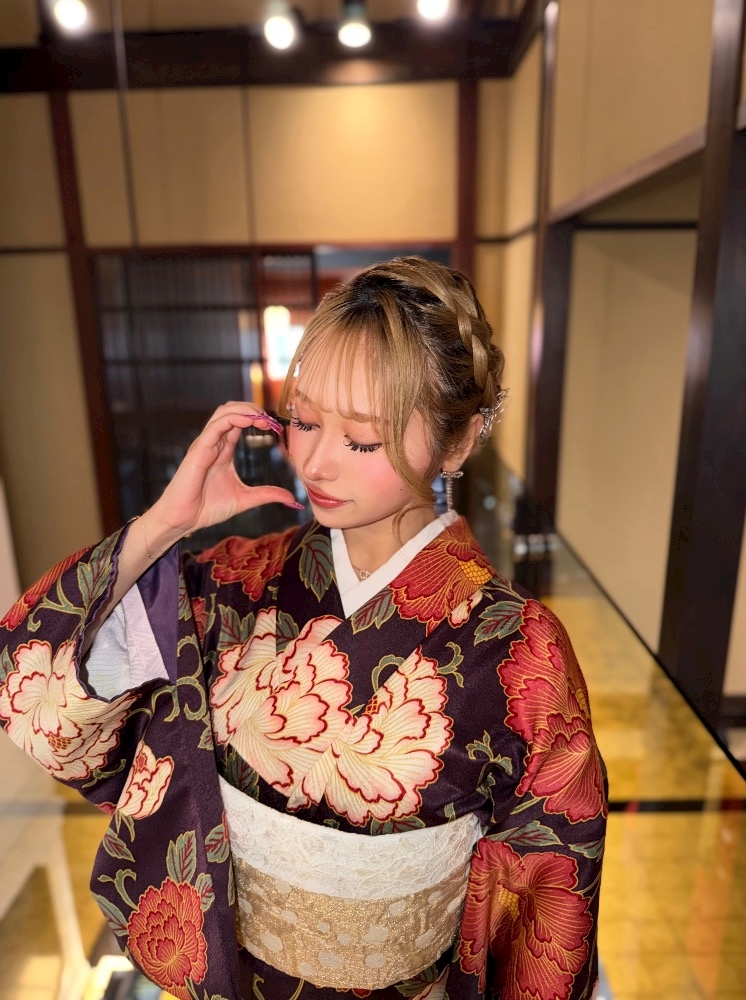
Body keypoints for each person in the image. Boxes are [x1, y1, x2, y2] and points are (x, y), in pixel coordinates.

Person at [0, 257, 607, 1000]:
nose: (314, 463)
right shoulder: (236, 581)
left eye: (361, 440)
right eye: (305, 421)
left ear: (459, 443)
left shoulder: (519, 649)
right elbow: (38, 693)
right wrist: (164, 526)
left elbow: (550, 894)